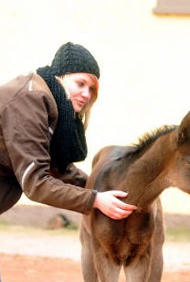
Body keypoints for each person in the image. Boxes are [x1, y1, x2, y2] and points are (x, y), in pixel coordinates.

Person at [0, 42, 137, 220]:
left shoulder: (49, 105)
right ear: (60, 77)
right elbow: (36, 182)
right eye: (80, 84)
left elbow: (57, 167)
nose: (86, 94)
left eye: (91, 89)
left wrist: (100, 189)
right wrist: (95, 199)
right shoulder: (29, 101)